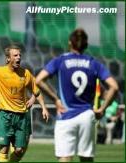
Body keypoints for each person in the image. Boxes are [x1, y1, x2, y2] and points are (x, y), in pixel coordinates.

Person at [35, 28, 119, 162]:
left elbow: (38, 80)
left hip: (66, 114)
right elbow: (114, 87)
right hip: (87, 115)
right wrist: (102, 109)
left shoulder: (60, 61)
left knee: (65, 157)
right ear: (86, 45)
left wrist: (56, 100)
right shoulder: (93, 63)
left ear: (70, 43)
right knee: (86, 158)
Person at [0, 82, 36, 159]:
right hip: (7, 116)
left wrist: (33, 99)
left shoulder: (25, 75)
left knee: (19, 150)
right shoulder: (3, 75)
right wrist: (4, 102)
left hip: (22, 115)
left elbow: (36, 87)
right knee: (4, 147)